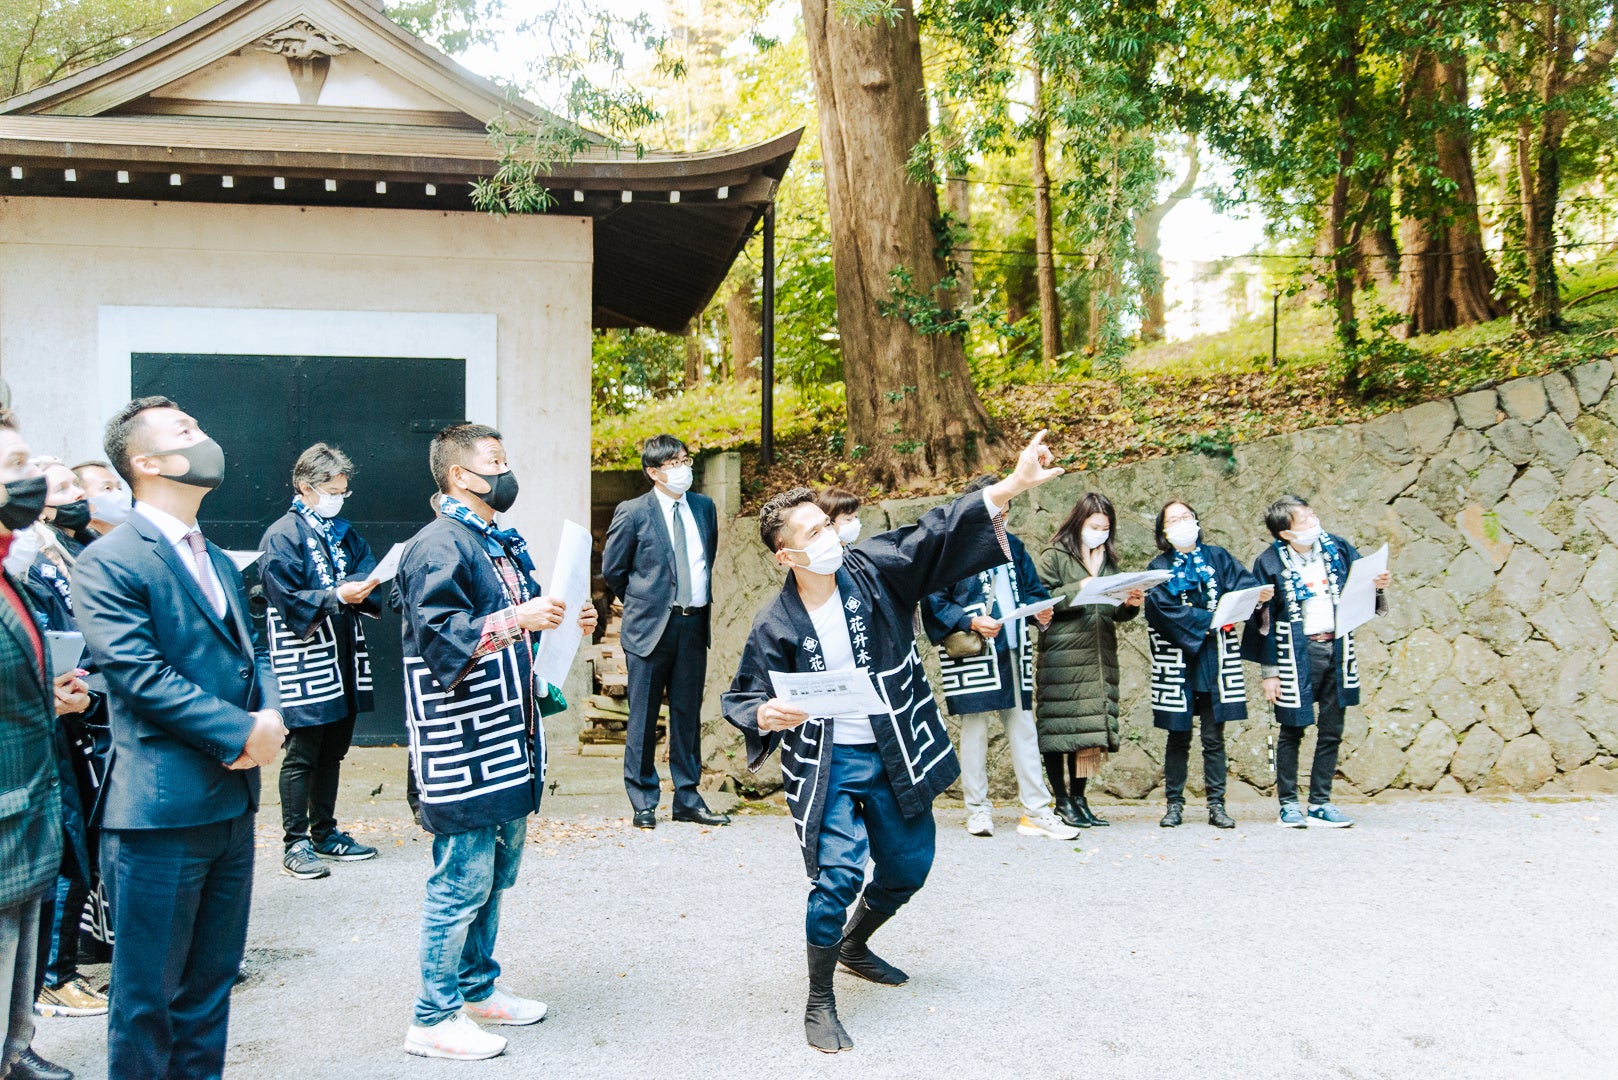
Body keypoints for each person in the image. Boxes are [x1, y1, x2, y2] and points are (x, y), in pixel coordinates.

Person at [722, 431, 1064, 1054]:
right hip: (827, 762)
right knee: (837, 875)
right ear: (786, 557)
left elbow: (933, 533)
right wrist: (764, 712)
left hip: (896, 748)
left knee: (909, 867)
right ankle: (819, 997)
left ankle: (855, 942)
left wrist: (1011, 484)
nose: (827, 536)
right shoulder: (775, 622)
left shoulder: (874, 569)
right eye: (810, 532)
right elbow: (741, 695)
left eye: (825, 523)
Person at [73, 396, 287, 1080]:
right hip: (159, 814)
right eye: (187, 431)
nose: (207, 438)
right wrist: (239, 735)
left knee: (209, 990)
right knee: (148, 1001)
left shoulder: (220, 559)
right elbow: (139, 676)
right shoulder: (109, 560)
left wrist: (271, 718)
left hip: (231, 806)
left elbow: (253, 654)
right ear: (147, 462)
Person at [397, 423, 597, 1061]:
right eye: (496, 462)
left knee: (494, 876)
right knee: (460, 880)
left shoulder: (493, 541)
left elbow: (514, 627)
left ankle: (477, 988)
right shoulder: (438, 544)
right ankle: (432, 1015)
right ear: (460, 475)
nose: (507, 472)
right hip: (462, 744)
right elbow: (439, 638)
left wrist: (561, 620)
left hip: (509, 733)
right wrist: (518, 617)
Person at [922, 475, 1074, 840]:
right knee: (974, 731)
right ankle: (976, 809)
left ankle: (1037, 810)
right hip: (974, 650)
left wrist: (1041, 612)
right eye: (994, 509)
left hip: (1014, 647)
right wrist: (969, 619)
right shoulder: (951, 549)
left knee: (1023, 728)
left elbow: (1035, 591)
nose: (1001, 516)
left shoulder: (1014, 546)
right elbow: (934, 601)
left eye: (1005, 509)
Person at [15, 460, 111, 1027]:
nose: (79, 497)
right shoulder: (31, 566)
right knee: (63, 850)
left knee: (77, 848)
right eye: (67, 488)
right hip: (48, 727)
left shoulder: (71, 552)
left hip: (74, 714)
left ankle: (57, 972)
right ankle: (52, 977)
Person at [258, 443, 382, 880]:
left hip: (345, 650)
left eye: (343, 492)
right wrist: (334, 596)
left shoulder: (343, 531)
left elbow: (367, 571)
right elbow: (283, 595)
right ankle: (295, 842)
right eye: (331, 490)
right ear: (305, 487)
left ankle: (326, 833)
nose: (338, 499)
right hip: (305, 655)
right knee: (303, 751)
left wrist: (363, 588)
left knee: (333, 749)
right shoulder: (282, 534)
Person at [0, 409, 80, 1080]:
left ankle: (14, 1047)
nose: (33, 481)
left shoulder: (11, 574)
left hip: (28, 806)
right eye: (17, 469)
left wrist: (47, 696)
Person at [599, 434, 728, 829]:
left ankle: (688, 797)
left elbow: (708, 556)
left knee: (687, 716)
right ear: (653, 472)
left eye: (685, 459)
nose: (682, 468)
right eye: (673, 463)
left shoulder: (704, 508)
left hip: (693, 624)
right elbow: (613, 571)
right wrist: (646, 603)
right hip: (650, 627)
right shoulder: (633, 511)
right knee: (643, 716)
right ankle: (643, 800)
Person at [1245, 494, 1391, 829]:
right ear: (1286, 533)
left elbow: (1363, 582)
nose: (1313, 523)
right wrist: (1270, 673)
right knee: (1293, 727)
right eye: (1304, 520)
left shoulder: (1336, 548)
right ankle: (1288, 804)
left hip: (1337, 645)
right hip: (1294, 650)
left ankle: (1321, 802)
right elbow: (1261, 621)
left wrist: (1378, 585)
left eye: (1312, 515)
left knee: (1332, 728)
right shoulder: (1268, 563)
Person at [1143, 500, 1270, 830]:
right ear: (1164, 531)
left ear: (1197, 520)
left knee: (1214, 738)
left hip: (1216, 658)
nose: (1182, 522)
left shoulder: (1219, 557)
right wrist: (1211, 619)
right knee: (1178, 736)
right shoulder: (1157, 568)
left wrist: (1256, 596)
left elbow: (1242, 586)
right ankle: (1174, 805)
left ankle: (1217, 804)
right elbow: (1162, 611)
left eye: (1186, 516)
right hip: (1177, 660)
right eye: (1174, 519)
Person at [1034, 492, 1144, 829]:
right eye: (1095, 525)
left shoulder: (1108, 559)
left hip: (1099, 654)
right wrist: (1080, 585)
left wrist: (1130, 604)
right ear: (1079, 522)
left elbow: (1113, 610)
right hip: (1062, 653)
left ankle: (1080, 798)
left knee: (1090, 731)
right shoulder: (1054, 556)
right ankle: (1061, 800)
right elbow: (1041, 602)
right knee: (1058, 727)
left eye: (1106, 527)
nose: (1100, 532)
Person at [72, 460, 133, 538]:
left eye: (119, 488)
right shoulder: (78, 546)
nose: (118, 494)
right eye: (107, 488)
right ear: (79, 499)